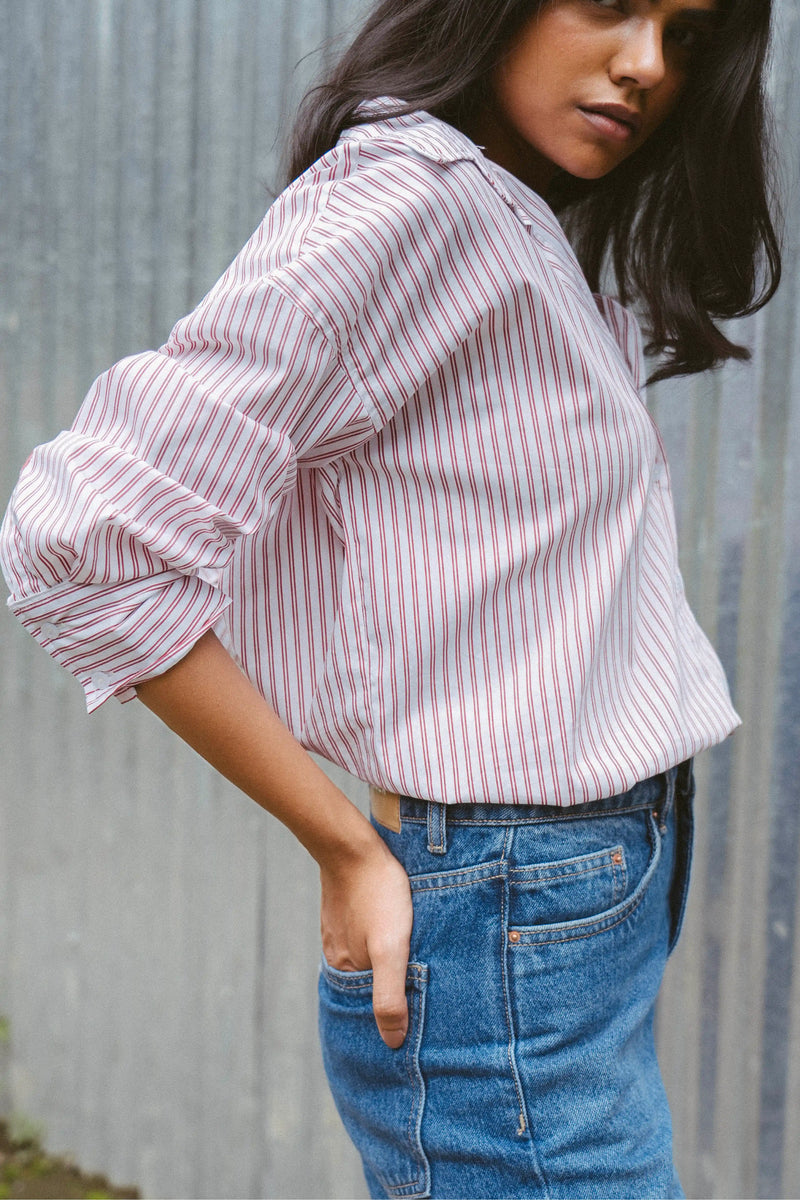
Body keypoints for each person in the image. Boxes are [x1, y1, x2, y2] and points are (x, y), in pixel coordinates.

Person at [0, 0, 782, 1196]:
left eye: (685, 36)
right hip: (505, 906)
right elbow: (85, 540)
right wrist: (342, 845)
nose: (643, 67)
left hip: (570, 894)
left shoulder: (502, 215)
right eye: (612, 7)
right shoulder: (408, 202)